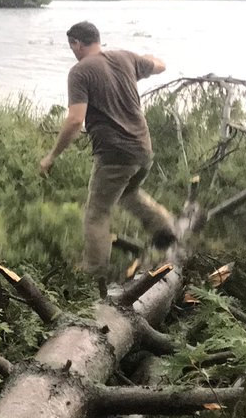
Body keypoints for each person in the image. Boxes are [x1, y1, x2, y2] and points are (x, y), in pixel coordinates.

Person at [39, 20, 176, 275]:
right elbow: (161, 66)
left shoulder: (80, 72)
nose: (73, 51)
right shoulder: (125, 58)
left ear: (77, 43)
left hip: (115, 155)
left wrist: (51, 156)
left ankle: (94, 274)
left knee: (96, 214)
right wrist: (147, 58)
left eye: (72, 46)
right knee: (128, 193)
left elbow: (75, 120)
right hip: (143, 150)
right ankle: (165, 229)